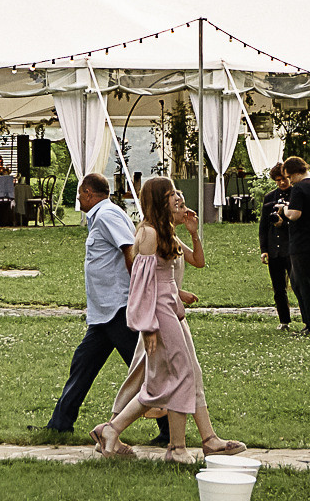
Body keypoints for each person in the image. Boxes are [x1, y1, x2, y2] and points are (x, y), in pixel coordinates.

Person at [93, 176, 246, 460]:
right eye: (171, 192)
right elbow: (142, 284)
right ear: (159, 198)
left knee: (179, 375)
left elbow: (197, 262)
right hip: (159, 313)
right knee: (178, 375)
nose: (177, 195)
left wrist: (193, 232)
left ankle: (115, 431)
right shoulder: (149, 233)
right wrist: (148, 327)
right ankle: (173, 446)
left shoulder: (166, 232)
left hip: (171, 308)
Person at [44, 173, 170, 442]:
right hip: (104, 313)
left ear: (90, 193)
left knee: (142, 371)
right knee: (82, 365)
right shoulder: (100, 216)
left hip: (118, 309)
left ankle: (170, 430)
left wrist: (138, 293)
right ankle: (59, 424)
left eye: (80, 194)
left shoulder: (107, 215)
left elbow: (129, 250)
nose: (78, 198)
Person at [278, 155, 310, 334]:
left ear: (298, 172)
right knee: (298, 281)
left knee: (304, 283)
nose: (290, 182)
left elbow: (295, 214)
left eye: (290, 177)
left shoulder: (300, 187)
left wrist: (284, 209)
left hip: (302, 241)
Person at [257, 162, 295, 330]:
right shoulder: (269, 197)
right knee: (278, 288)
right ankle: (284, 320)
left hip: (291, 247)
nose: (282, 183)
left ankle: (308, 319)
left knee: (297, 285)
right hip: (274, 249)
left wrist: (284, 222)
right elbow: (263, 227)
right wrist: (264, 249)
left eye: (284, 178)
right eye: (278, 180)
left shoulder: (296, 194)